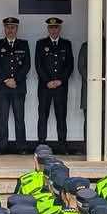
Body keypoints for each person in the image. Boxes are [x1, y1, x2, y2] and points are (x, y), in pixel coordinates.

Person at [0, 17, 31, 154]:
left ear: (17, 29)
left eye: (12, 27)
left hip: (18, 88)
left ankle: (22, 147)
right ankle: (1, 147)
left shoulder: (23, 44)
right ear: (4, 28)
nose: (10, 30)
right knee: (3, 119)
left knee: (19, 118)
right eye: (7, 27)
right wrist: (6, 80)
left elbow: (27, 65)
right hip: (2, 88)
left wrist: (16, 80)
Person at [34, 17, 74, 155]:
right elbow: (38, 65)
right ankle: (41, 145)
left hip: (61, 88)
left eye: (56, 27)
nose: (53, 30)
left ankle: (62, 145)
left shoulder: (66, 44)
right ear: (48, 29)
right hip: (45, 87)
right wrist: (48, 81)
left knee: (61, 116)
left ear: (60, 28)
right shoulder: (41, 44)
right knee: (42, 116)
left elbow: (69, 65)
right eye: (51, 27)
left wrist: (60, 81)